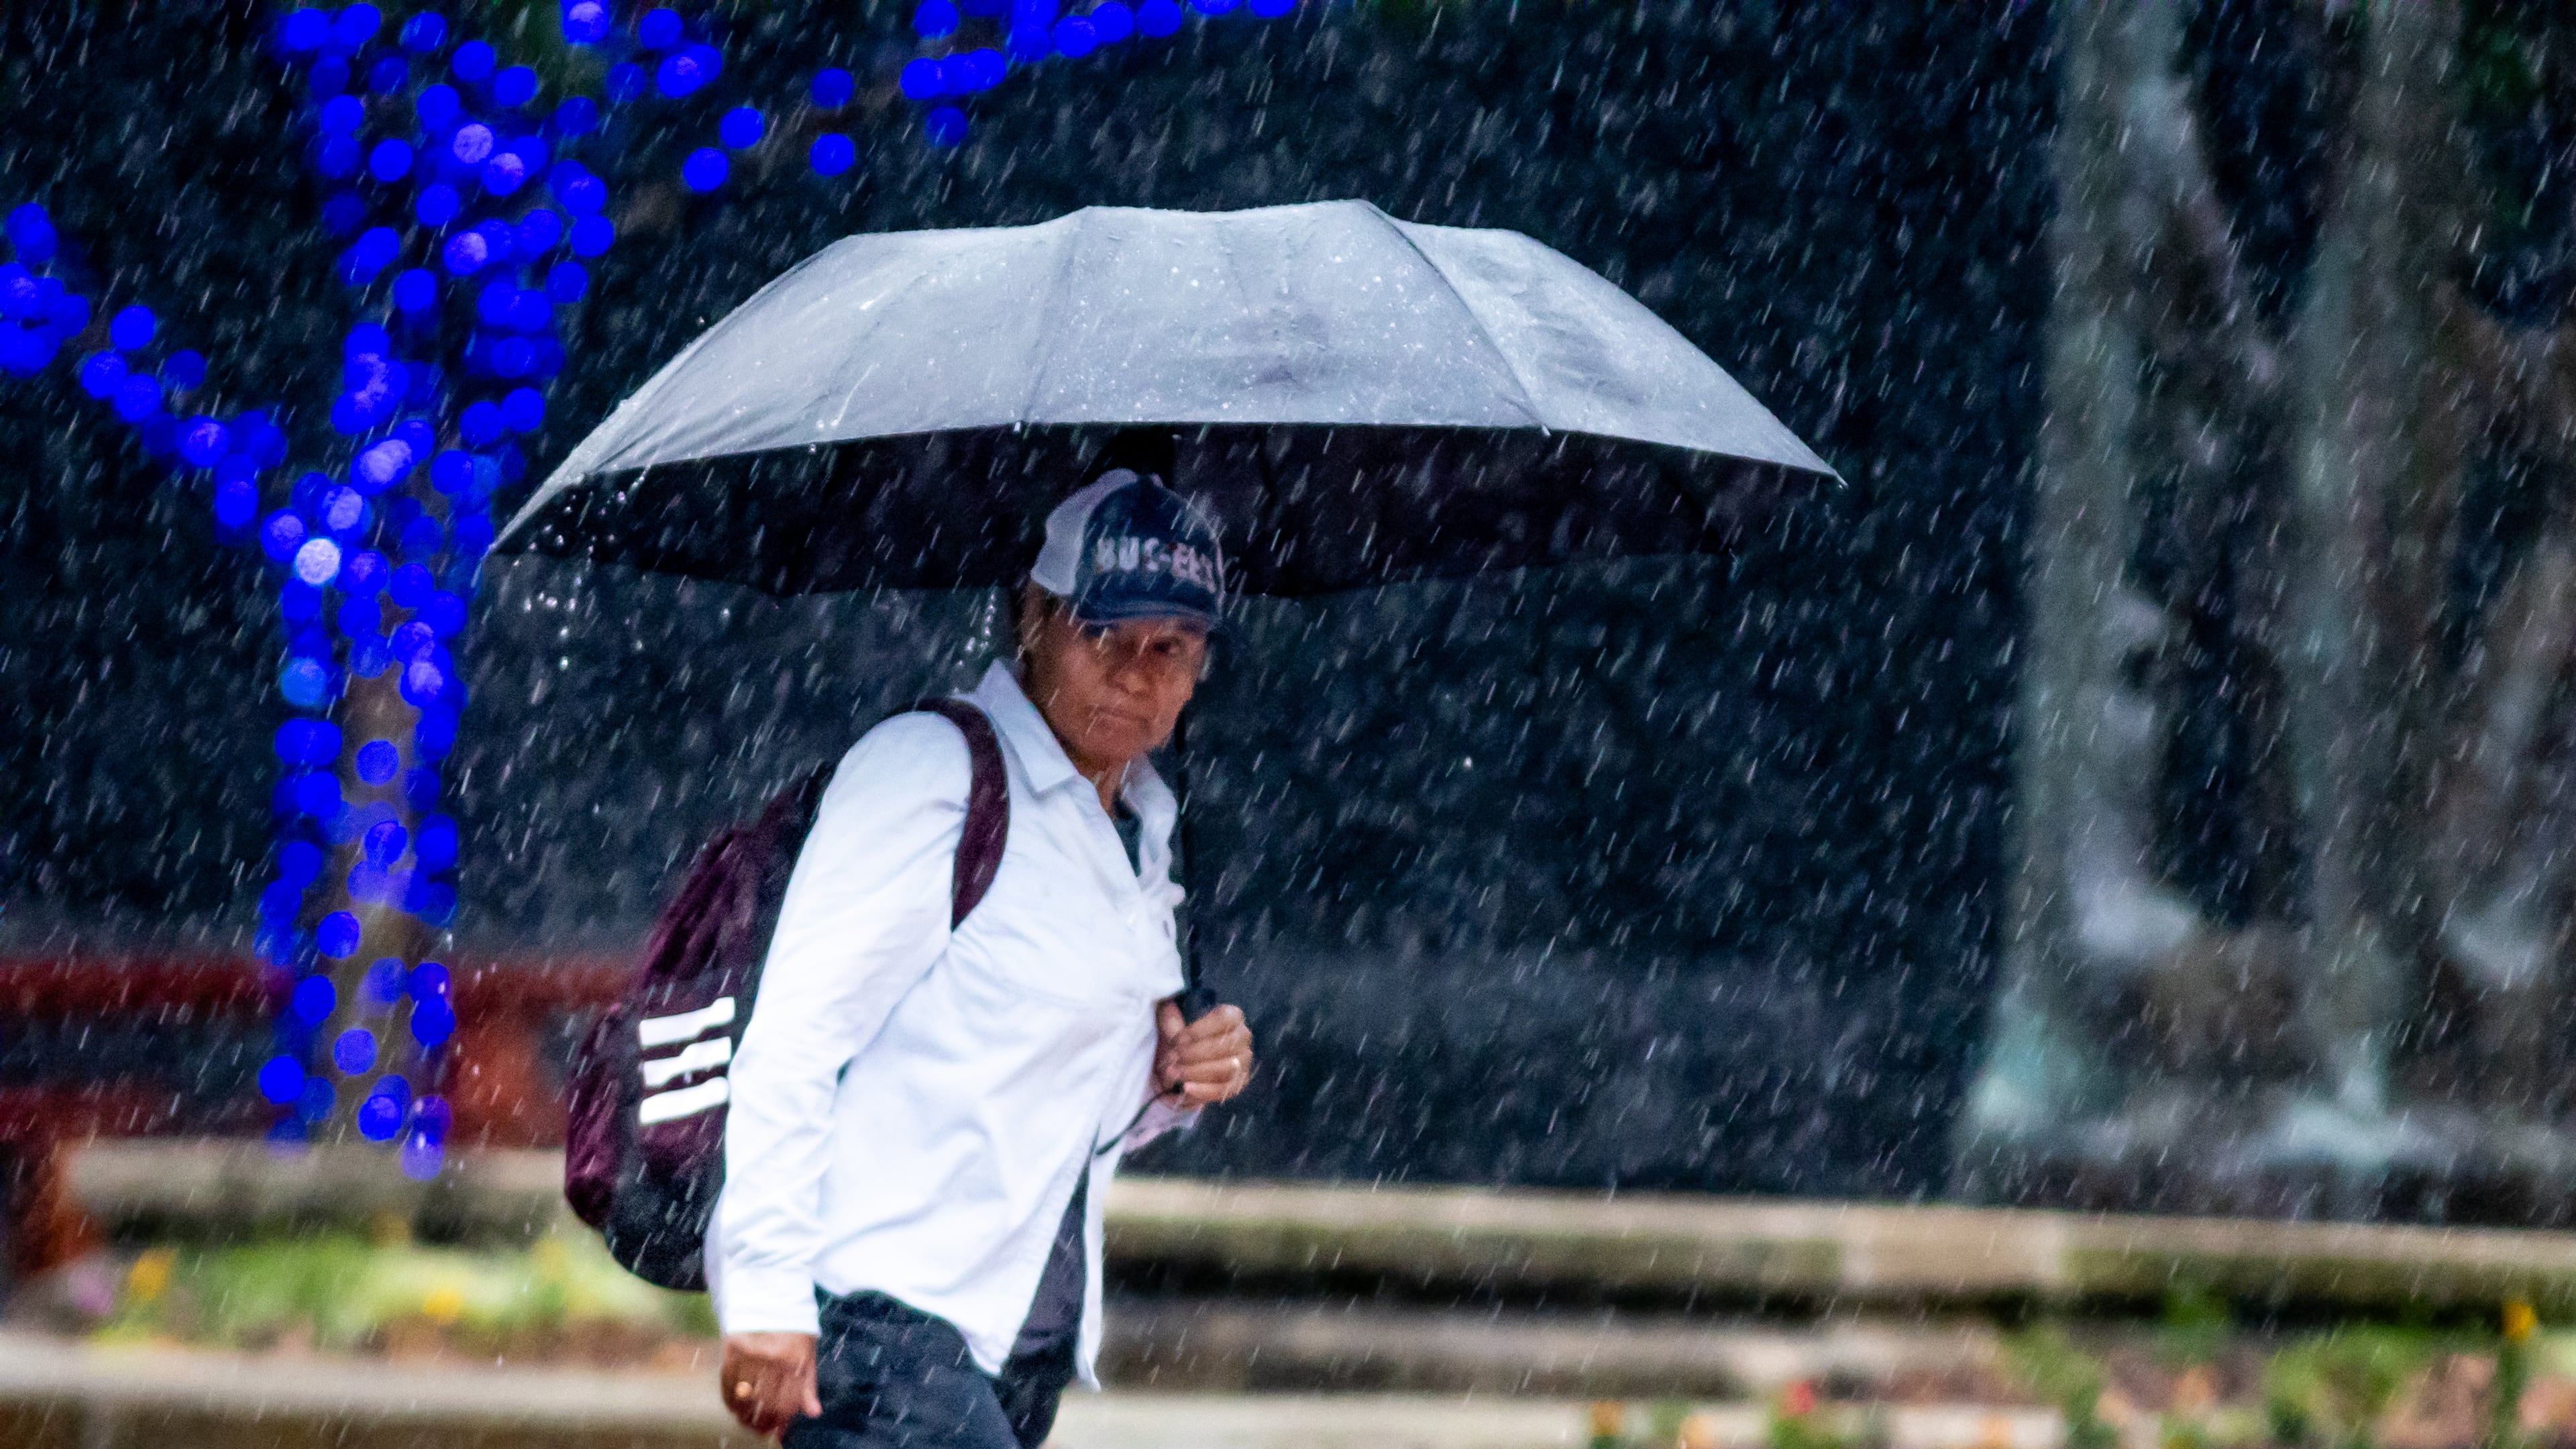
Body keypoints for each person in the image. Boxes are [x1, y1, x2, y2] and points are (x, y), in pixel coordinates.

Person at [710, 468, 1256, 1447]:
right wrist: (764, 1291)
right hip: (881, 1324)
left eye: (1170, 646)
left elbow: (1060, 1109)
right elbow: (795, 1035)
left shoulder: (1139, 829)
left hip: (1008, 1347)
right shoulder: (934, 771)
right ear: (1032, 618)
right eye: (1104, 634)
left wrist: (1176, 1075)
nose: (1136, 674)